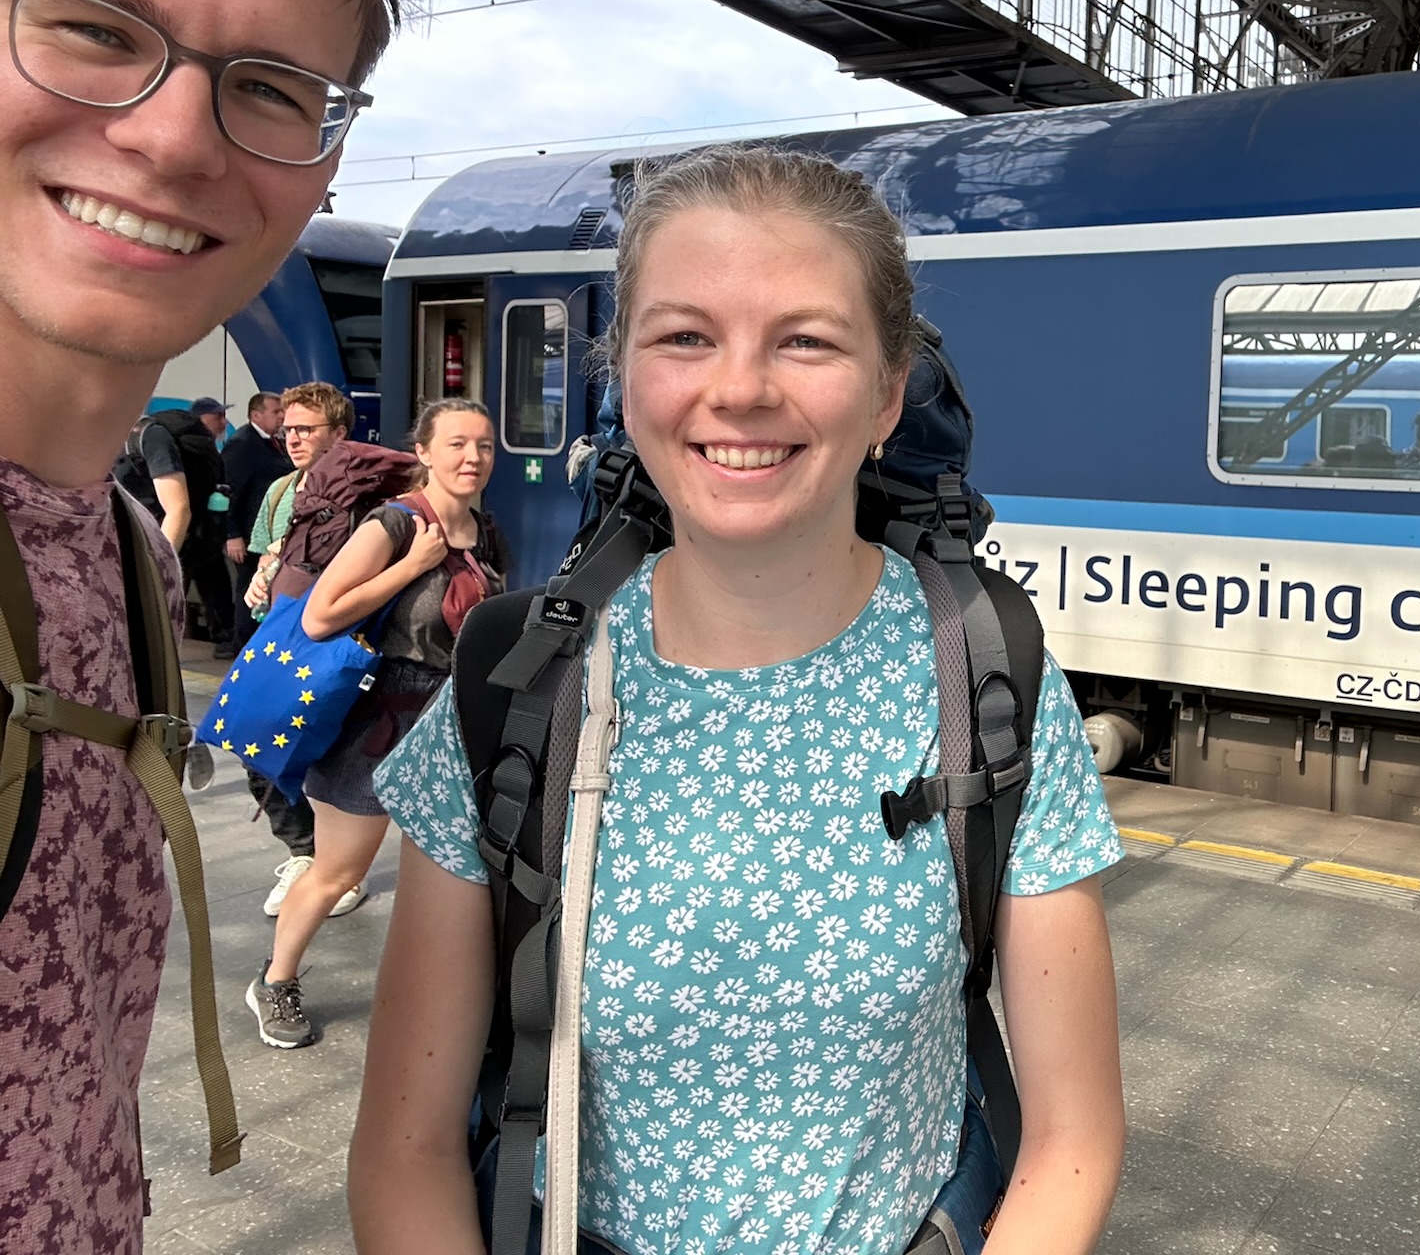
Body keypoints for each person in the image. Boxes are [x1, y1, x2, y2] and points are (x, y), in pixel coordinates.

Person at [352, 147, 1126, 1255]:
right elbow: (406, 1147)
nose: (741, 390)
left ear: (887, 394)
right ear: (625, 381)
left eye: (806, 340)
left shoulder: (988, 676)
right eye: (684, 337)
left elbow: (1071, 1137)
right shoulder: (515, 688)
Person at [0, 0, 411, 1250]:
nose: (174, 136)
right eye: (90, 28)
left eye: (271, 88)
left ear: (322, 162)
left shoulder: (120, 556)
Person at [247, 398, 503, 1049]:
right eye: (456, 444)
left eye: (484, 445)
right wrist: (412, 567)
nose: (472, 457)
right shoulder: (394, 524)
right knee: (337, 872)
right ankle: (275, 980)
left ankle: (443, 993)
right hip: (379, 718)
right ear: (423, 451)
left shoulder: (484, 530)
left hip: (451, 721)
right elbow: (319, 617)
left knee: (450, 872)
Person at [244, 381, 363, 914]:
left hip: (336, 640)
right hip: (278, 637)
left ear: (337, 433)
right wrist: (262, 576)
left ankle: (338, 868)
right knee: (253, 741)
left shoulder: (364, 492)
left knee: (332, 755)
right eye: (287, 429)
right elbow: (265, 560)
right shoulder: (279, 491)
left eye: (305, 430)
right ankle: (304, 852)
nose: (291, 438)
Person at [123, 394, 238, 655]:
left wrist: (159, 566)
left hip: (181, 534)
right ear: (201, 418)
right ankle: (219, 640)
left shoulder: (165, 439)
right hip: (199, 532)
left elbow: (179, 508)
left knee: (176, 595)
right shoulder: (189, 445)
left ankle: (163, 649)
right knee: (202, 589)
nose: (223, 421)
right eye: (217, 416)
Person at [223, 388, 291, 646]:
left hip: (269, 533)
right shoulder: (243, 444)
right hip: (249, 534)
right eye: (276, 412)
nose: (281, 417)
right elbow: (231, 491)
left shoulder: (276, 443)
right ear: (256, 415)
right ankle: (242, 645)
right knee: (249, 589)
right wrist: (233, 534)